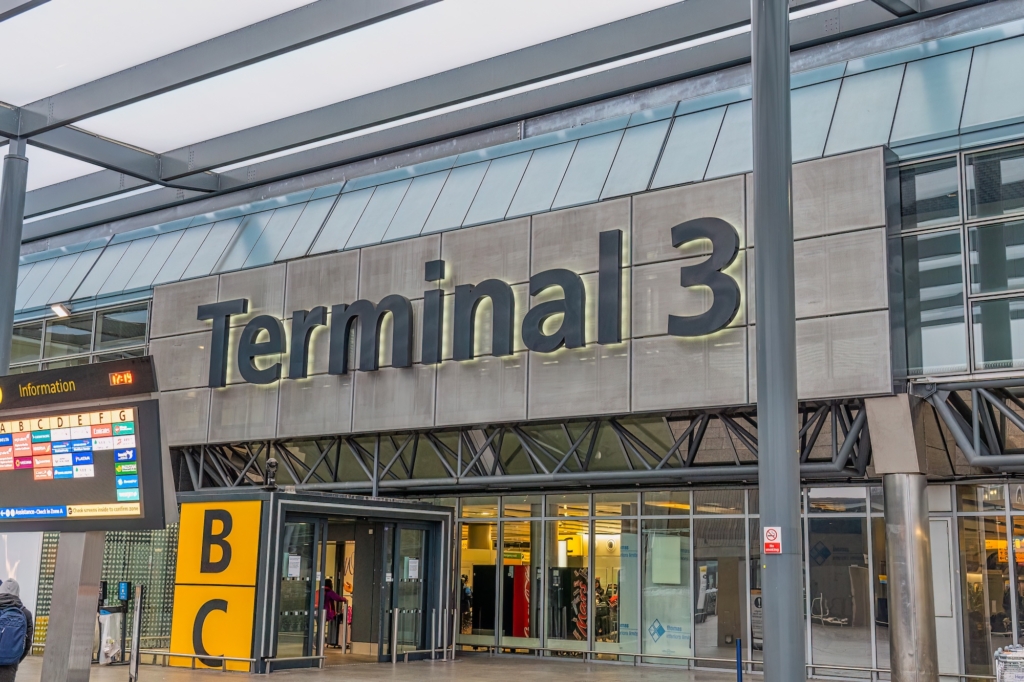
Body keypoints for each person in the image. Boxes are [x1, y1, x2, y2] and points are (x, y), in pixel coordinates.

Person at [0, 580, 33, 682]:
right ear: (18, 592)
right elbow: (27, 643)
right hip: (11, 664)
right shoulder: (26, 613)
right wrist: (16, 659)